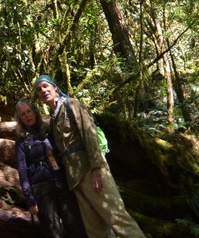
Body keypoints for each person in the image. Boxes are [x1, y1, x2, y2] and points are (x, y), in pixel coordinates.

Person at [34, 75, 146, 238]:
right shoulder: (53, 117)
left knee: (118, 220)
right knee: (95, 230)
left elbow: (90, 135)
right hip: (75, 179)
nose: (43, 91)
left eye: (45, 86)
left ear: (55, 88)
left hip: (91, 170)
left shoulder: (72, 105)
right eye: (39, 89)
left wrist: (96, 168)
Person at [14, 98, 87, 238]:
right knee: (52, 231)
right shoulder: (21, 140)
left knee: (75, 225)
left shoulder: (49, 131)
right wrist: (29, 198)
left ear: (35, 112)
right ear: (19, 118)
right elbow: (22, 170)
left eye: (29, 111)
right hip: (40, 187)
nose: (27, 115)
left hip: (61, 182)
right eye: (23, 114)